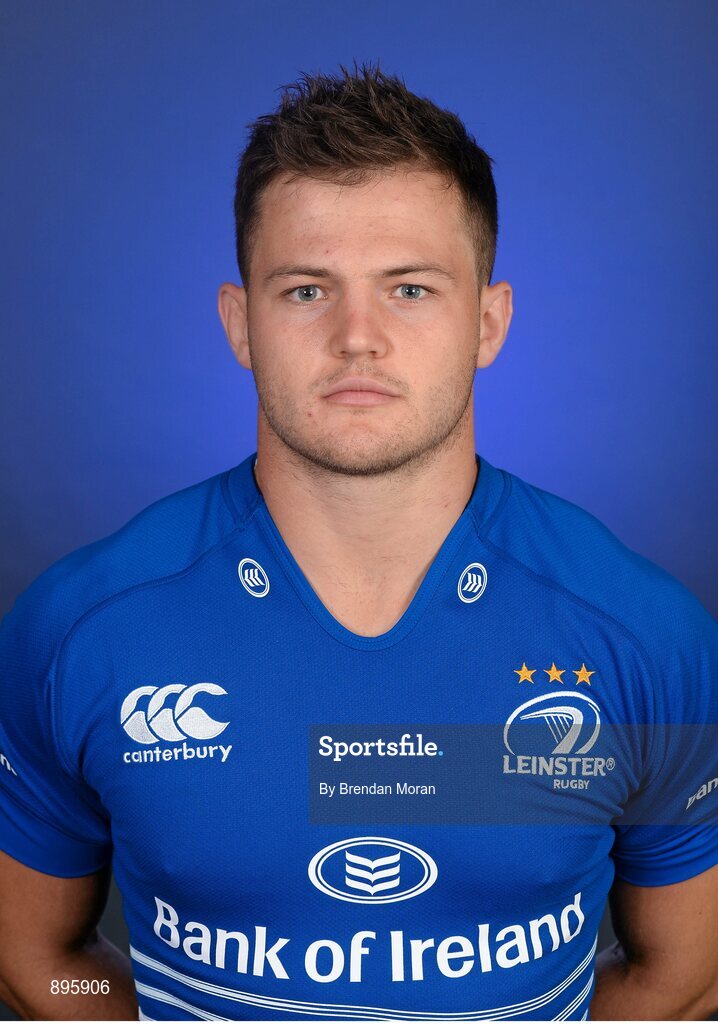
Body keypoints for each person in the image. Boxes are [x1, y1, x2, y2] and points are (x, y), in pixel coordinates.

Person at [0, 60, 717, 1023]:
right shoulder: (80, 630)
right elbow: (38, 957)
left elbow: (683, 975)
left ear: (489, 322)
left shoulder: (647, 639)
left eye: (410, 289)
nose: (357, 338)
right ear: (240, 324)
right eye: (306, 291)